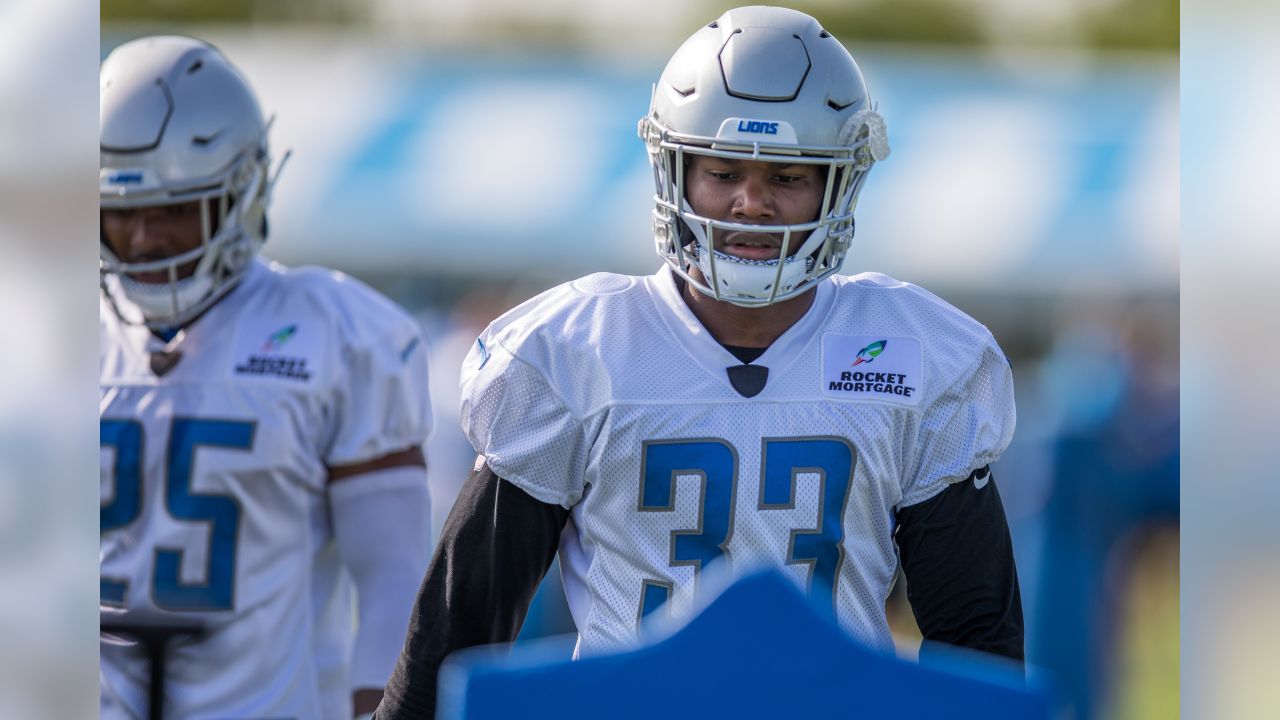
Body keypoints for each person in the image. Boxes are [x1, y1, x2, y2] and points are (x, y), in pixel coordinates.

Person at [376, 7, 1022, 717]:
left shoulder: (914, 353)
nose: (751, 202)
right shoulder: (580, 351)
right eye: (722, 172)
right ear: (674, 171)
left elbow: (974, 642)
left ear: (839, 184)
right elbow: (464, 618)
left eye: (788, 176)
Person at [99, 36, 433, 720]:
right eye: (123, 212)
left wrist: (380, 710)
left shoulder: (338, 331)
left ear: (240, 192)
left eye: (171, 209)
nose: (143, 240)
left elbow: (393, 576)